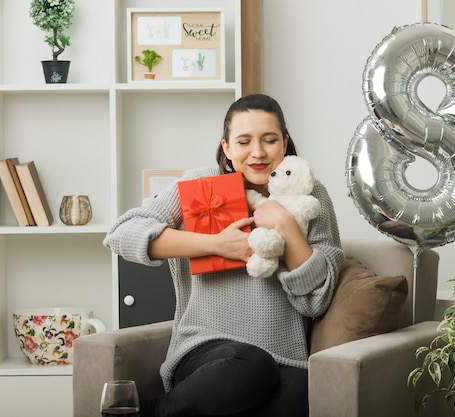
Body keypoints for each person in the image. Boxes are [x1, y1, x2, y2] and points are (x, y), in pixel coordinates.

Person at [103, 93, 343, 417]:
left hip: (285, 359)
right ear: (227, 148)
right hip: (204, 352)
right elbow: (122, 233)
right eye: (244, 141)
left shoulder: (311, 197)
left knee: (305, 391)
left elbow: (316, 300)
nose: (257, 152)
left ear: (285, 143)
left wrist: (286, 224)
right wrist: (216, 244)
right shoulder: (201, 182)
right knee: (251, 363)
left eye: (269, 140)